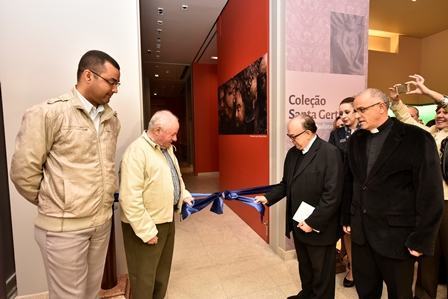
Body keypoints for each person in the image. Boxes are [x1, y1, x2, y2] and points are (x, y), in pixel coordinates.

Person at [10, 50, 121, 298]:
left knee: (91, 292)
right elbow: (22, 172)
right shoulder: (49, 114)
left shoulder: (112, 120)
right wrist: (57, 202)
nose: (115, 89)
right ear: (88, 75)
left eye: (117, 84)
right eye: (112, 82)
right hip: (64, 229)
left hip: (101, 223)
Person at [342, 88, 444, 299]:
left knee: (400, 294)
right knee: (366, 292)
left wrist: (422, 239)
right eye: (355, 110)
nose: (356, 115)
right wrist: (346, 216)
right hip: (361, 236)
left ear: (381, 108)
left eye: (361, 110)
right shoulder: (356, 140)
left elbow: (430, 193)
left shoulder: (416, 138)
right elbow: (349, 181)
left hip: (397, 239)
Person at [255, 115, 343, 299]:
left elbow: (332, 195)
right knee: (305, 266)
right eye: (289, 136)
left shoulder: (330, 153)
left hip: (319, 226)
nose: (292, 140)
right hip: (299, 223)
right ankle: (307, 294)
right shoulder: (293, 153)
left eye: (294, 136)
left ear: (309, 133)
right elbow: (286, 184)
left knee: (322, 273)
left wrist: (313, 221)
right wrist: (267, 198)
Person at [119, 110, 193, 299]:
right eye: (173, 134)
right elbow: (129, 198)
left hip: (166, 219)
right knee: (144, 277)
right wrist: (146, 231)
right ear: (157, 130)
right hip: (147, 226)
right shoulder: (136, 152)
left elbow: (175, 176)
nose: (176, 138)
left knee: (161, 273)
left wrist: (183, 194)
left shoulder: (165, 148)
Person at [389, 74, 448, 299]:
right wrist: (396, 101)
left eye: (445, 112)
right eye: (438, 112)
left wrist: (427, 91)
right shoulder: (431, 134)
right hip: (430, 203)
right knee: (427, 255)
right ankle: (424, 295)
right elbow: (408, 122)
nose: (440, 115)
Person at [328, 96, 358, 288]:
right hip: (344, 189)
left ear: (357, 111)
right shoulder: (337, 134)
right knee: (347, 230)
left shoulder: (368, 132)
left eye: (347, 112)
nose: (344, 116)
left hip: (364, 190)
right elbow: (332, 159)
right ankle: (353, 269)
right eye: (341, 113)